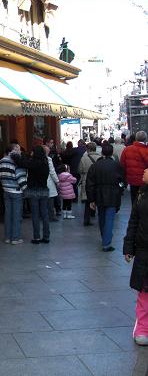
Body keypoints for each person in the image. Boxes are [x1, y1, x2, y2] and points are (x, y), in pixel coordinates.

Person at [123, 168, 148, 346]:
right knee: (145, 292)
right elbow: (134, 221)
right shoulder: (142, 194)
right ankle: (143, 328)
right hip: (145, 251)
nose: (144, 171)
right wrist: (128, 247)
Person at [86, 144, 125, 252]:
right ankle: (106, 242)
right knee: (109, 218)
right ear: (112, 153)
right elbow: (122, 181)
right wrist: (120, 189)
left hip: (99, 194)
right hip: (113, 195)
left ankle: (105, 238)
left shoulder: (95, 166)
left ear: (102, 153)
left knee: (102, 217)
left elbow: (90, 184)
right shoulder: (117, 165)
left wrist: (91, 199)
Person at [13, 145, 50, 244]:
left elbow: (21, 163)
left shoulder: (33, 163)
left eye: (32, 151)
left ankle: (36, 237)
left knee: (35, 215)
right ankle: (46, 236)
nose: (31, 153)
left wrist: (15, 155)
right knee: (45, 214)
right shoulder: (45, 163)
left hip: (33, 191)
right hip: (44, 190)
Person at [0, 143, 27, 245]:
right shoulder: (17, 161)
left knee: (8, 215)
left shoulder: (1, 161)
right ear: (14, 150)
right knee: (17, 216)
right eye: (19, 149)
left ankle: (7, 237)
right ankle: (15, 238)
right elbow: (20, 177)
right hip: (16, 191)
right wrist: (25, 189)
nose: (20, 151)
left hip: (6, 190)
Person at [120, 131, 148, 206]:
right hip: (145, 180)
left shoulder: (127, 149)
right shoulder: (146, 150)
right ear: (145, 139)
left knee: (134, 199)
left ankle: (135, 214)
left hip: (132, 180)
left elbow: (122, 164)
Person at [78, 142, 101, 226]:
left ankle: (87, 219)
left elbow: (80, 170)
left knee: (88, 201)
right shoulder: (100, 157)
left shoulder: (84, 158)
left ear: (88, 149)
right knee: (99, 199)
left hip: (87, 180)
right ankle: (99, 217)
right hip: (98, 180)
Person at [44, 145, 60, 222]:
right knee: (50, 200)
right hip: (48, 181)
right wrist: (57, 181)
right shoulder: (48, 159)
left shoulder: (34, 159)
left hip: (40, 183)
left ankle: (43, 215)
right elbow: (52, 172)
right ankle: (51, 215)